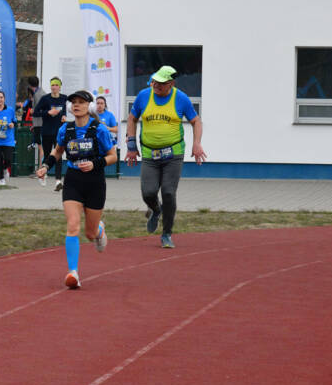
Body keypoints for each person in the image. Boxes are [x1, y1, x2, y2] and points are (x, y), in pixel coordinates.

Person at [36, 90, 116, 289]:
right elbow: (57, 151)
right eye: (74, 103)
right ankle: (73, 272)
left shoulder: (99, 129)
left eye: (81, 102)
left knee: (90, 233)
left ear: (89, 106)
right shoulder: (66, 129)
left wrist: (95, 164)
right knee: (73, 225)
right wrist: (45, 166)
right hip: (73, 180)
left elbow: (113, 156)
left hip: (95, 182)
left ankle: (99, 230)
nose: (76, 105)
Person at [124, 65, 206, 249]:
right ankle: (156, 209)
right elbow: (132, 118)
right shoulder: (144, 96)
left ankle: (167, 234)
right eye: (154, 81)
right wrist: (131, 145)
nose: (156, 85)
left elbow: (196, 121)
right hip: (149, 154)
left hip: (173, 154)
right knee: (148, 192)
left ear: (171, 83)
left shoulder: (181, 98)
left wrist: (197, 143)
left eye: (161, 83)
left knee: (168, 192)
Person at [34, 77, 69, 189]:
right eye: (52, 85)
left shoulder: (64, 98)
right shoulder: (45, 99)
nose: (54, 87)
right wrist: (48, 112)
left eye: (56, 85)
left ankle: (58, 181)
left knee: (58, 155)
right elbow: (35, 113)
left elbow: (65, 110)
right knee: (47, 155)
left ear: (60, 87)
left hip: (59, 132)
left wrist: (64, 116)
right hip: (47, 131)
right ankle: (42, 175)